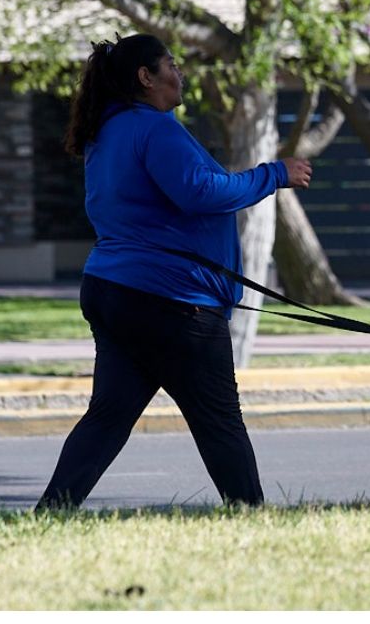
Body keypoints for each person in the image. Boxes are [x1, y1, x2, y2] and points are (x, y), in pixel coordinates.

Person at [36, 33, 312, 510]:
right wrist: (275, 174)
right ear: (146, 77)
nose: (179, 73)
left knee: (107, 417)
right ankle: (251, 515)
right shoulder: (155, 128)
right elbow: (201, 192)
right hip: (171, 302)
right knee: (220, 419)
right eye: (171, 64)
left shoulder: (109, 131)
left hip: (114, 291)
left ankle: (51, 512)